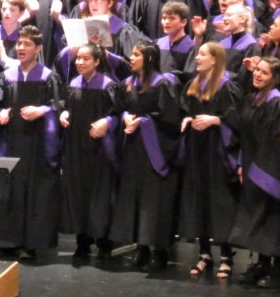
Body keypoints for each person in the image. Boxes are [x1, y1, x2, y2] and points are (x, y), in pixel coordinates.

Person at [0, 26, 63, 262]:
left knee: (36, 191)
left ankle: (33, 243)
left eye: (27, 44)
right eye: (19, 43)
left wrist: (42, 110)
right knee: (10, 189)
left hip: (38, 144)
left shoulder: (48, 77)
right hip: (11, 141)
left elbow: (58, 106)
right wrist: (0, 113)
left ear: (38, 48)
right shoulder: (7, 76)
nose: (21, 48)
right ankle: (8, 242)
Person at [109, 42, 181, 273]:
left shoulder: (163, 84)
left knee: (154, 202)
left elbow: (170, 119)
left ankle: (159, 252)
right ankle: (141, 248)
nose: (131, 58)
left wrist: (143, 121)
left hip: (155, 150)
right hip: (132, 149)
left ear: (149, 58)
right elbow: (120, 108)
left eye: (136, 54)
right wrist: (125, 116)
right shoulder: (128, 84)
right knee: (135, 199)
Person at [180, 42, 241, 279]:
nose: (197, 58)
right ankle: (204, 254)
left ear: (215, 59)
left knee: (220, 203)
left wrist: (216, 120)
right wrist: (187, 119)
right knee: (200, 201)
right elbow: (186, 109)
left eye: (203, 54)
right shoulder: (193, 85)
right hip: (198, 150)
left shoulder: (227, 86)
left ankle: (226, 257)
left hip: (218, 151)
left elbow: (237, 118)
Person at [229, 57, 280, 288]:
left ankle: (279, 269)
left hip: (269, 171)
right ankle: (262, 263)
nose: (257, 74)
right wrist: (242, 163)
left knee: (272, 218)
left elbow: (274, 142)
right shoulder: (252, 98)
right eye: (257, 70)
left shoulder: (277, 103)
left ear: (275, 78)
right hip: (251, 165)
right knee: (257, 219)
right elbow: (244, 135)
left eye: (264, 72)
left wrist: (260, 170)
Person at [58, 43, 121, 265]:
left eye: (85, 59)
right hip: (76, 147)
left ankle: (104, 243)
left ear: (96, 61)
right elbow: (64, 105)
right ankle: (82, 243)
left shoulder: (108, 85)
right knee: (78, 194)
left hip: (100, 150)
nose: (80, 62)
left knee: (100, 195)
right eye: (78, 58)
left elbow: (118, 113)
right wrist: (64, 113)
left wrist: (107, 121)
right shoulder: (72, 84)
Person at [156, 0, 197, 86]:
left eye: (172, 18)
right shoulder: (159, 44)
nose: (166, 22)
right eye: (164, 18)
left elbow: (189, 78)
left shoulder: (190, 47)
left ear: (183, 22)